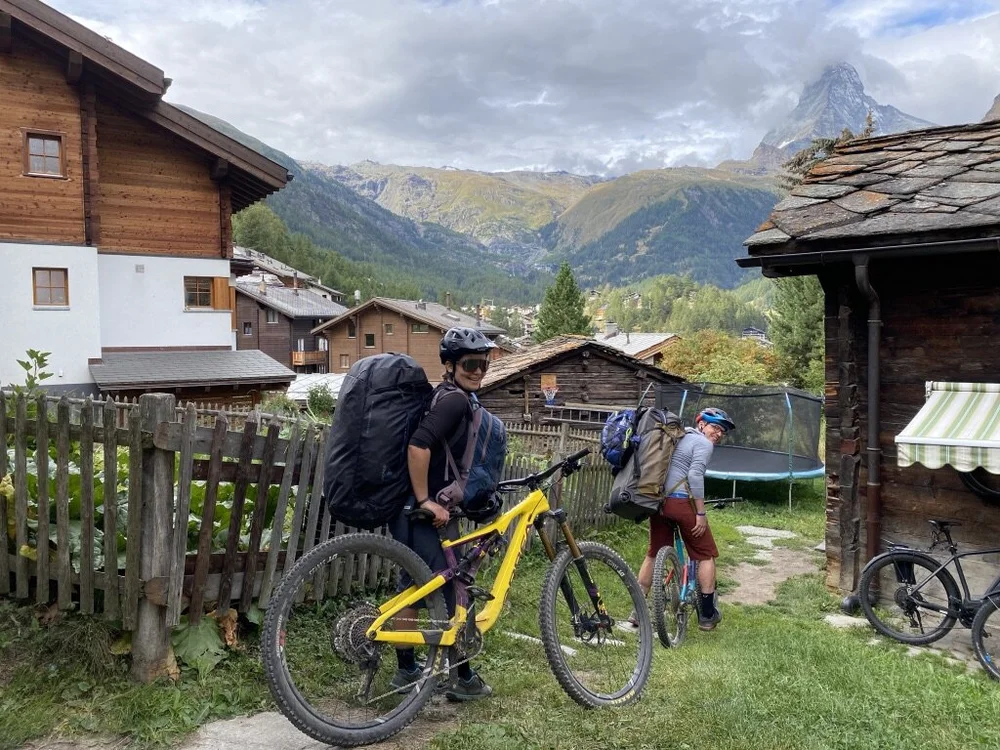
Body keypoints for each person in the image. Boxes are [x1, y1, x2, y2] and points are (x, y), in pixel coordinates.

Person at [387, 326, 496, 701]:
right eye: (470, 363)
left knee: (414, 588)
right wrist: (425, 500)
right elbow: (419, 448)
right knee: (450, 588)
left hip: (409, 513)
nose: (479, 370)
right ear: (449, 364)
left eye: (484, 363)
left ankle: (406, 671)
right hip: (419, 512)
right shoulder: (455, 402)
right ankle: (461, 678)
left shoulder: (447, 395)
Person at [633, 407, 736, 631]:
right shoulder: (703, 444)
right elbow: (695, 475)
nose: (718, 434)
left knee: (653, 553)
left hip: (657, 502)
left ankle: (637, 612)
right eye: (715, 427)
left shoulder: (678, 436)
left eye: (722, 431)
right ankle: (707, 615)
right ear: (701, 425)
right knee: (706, 555)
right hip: (680, 503)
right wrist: (700, 513)